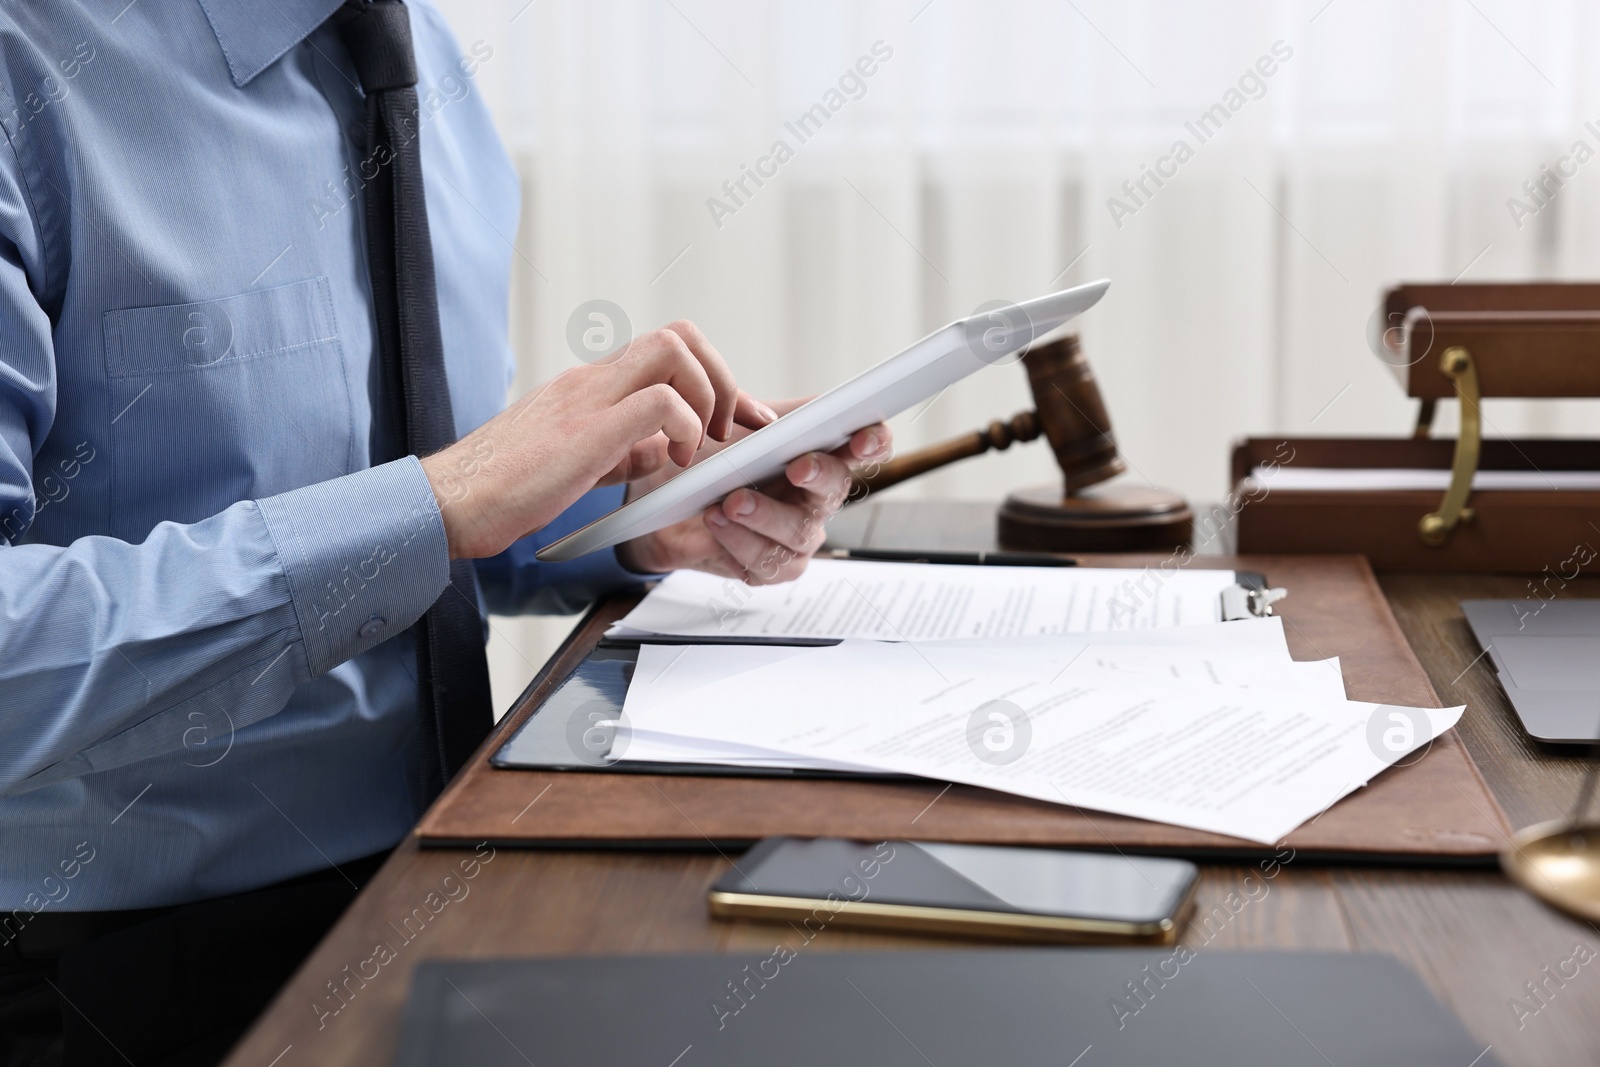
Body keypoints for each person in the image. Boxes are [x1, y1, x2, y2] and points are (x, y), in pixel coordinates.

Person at [0, 1, 889, 1062]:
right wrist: (434, 501)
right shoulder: (26, 72)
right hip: (118, 975)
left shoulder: (424, 58)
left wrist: (642, 520)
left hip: (459, 874)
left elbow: (432, 505)